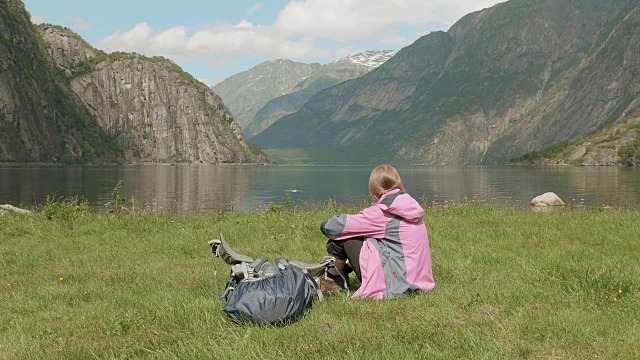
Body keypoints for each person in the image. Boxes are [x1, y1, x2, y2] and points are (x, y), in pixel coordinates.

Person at [320, 164, 435, 299]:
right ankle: (342, 272)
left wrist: (323, 225)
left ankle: (332, 280)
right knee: (365, 236)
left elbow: (337, 226)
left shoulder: (383, 211)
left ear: (373, 187)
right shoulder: (409, 206)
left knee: (343, 236)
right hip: (419, 280)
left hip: (398, 284)